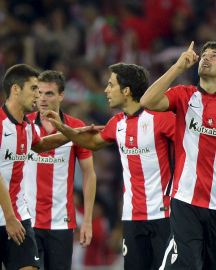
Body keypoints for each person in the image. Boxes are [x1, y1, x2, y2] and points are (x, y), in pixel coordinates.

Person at [140, 41, 216, 270]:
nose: (205, 58)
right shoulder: (184, 95)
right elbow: (147, 101)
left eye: (214, 56)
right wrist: (178, 67)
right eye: (204, 54)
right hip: (185, 198)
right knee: (185, 265)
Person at [44, 63, 175, 270]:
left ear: (126, 90)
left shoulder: (163, 118)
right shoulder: (117, 123)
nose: (106, 90)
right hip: (132, 216)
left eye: (111, 85)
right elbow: (93, 143)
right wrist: (64, 129)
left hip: (165, 214)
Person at [0, 64, 70, 270]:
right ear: (15, 89)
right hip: (9, 217)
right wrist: (9, 217)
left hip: (20, 218)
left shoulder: (28, 126)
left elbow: (41, 145)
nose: (38, 96)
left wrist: (78, 133)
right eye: (33, 89)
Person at [24, 70, 96, 270]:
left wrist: (87, 221)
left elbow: (90, 174)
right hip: (28, 220)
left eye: (49, 94)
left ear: (61, 96)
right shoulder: (24, 125)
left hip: (61, 222)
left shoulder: (75, 127)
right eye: (39, 92)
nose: (43, 98)